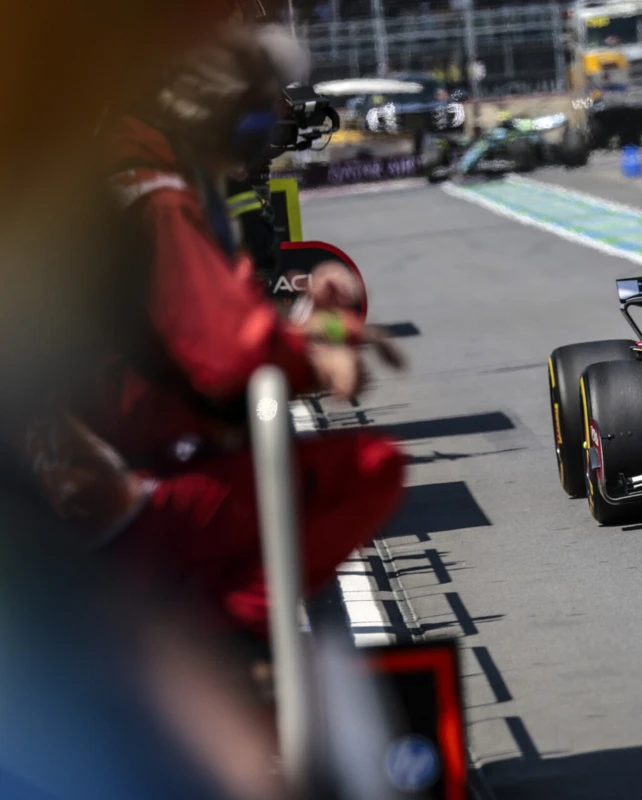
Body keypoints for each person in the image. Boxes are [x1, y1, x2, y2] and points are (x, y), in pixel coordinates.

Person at [79, 24, 406, 637]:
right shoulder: (155, 193)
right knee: (370, 465)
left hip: (115, 470)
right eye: (259, 118)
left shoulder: (142, 170)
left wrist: (310, 321)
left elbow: (212, 321)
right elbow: (231, 353)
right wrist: (317, 354)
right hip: (128, 490)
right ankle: (223, 651)